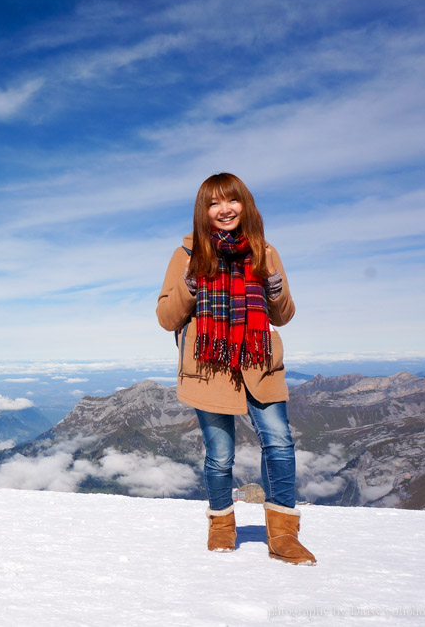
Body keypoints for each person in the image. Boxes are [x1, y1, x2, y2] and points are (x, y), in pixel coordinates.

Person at [156, 172, 316, 565]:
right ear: (204, 212)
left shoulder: (265, 251)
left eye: (231, 201)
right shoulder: (186, 255)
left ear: (245, 204)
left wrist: (276, 291)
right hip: (209, 366)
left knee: (279, 441)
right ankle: (222, 526)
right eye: (214, 203)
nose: (224, 209)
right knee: (220, 454)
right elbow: (166, 316)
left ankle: (282, 535)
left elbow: (283, 315)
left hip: (258, 361)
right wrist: (190, 286)